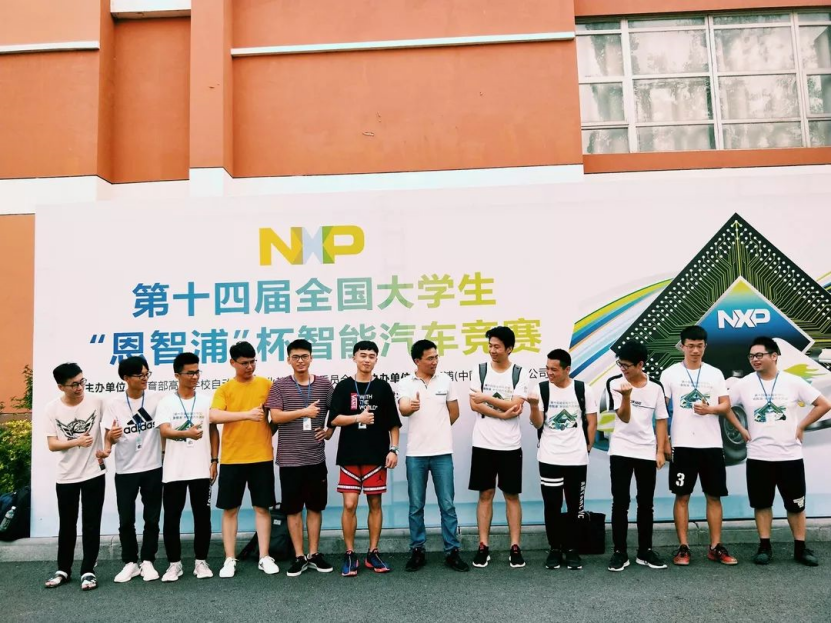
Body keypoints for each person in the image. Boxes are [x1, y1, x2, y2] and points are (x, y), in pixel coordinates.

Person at [729, 336, 831, 566]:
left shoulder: (793, 381)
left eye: (759, 355)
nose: (754, 360)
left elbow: (824, 404)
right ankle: (764, 546)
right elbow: (725, 406)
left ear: (774, 356)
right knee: (762, 504)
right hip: (758, 455)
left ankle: (800, 548)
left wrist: (801, 426)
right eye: (751, 356)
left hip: (789, 456)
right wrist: (740, 428)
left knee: (796, 505)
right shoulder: (744, 384)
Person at [660, 325, 742, 566]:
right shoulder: (670, 374)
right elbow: (662, 410)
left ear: (705, 346)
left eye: (699, 346)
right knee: (682, 496)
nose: (695, 350)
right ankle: (683, 547)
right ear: (682, 346)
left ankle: (715, 547)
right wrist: (664, 442)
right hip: (683, 445)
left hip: (712, 445)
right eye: (690, 346)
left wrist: (710, 409)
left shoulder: (715, 373)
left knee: (714, 497)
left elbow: (725, 405)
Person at [327, 341, 401, 577]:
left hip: (376, 456)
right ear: (354, 358)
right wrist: (357, 417)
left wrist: (393, 449)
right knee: (349, 505)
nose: (367, 359)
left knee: (375, 504)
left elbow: (393, 424)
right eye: (362, 355)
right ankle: (350, 553)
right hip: (349, 456)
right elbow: (334, 419)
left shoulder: (382, 387)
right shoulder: (343, 386)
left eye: (371, 356)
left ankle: (373, 552)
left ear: (376, 359)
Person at [265, 339, 335, 577]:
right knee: (293, 509)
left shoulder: (324, 384)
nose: (300, 361)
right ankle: (299, 556)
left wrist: (330, 430)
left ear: (311, 358)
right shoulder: (279, 386)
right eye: (295, 357)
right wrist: (305, 412)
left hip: (316, 458)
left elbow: (336, 411)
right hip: (289, 460)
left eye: (305, 356)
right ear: (288, 360)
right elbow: (275, 417)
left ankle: (314, 554)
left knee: (315, 508)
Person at [398, 339, 469, 573]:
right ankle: (417, 550)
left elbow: (454, 412)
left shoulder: (446, 380)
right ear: (417, 360)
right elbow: (403, 408)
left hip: (442, 453)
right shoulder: (405, 383)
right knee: (416, 505)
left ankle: (452, 551)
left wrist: (439, 431)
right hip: (416, 454)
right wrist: (411, 407)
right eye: (430, 358)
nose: (435, 361)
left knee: (447, 505)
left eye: (436, 357)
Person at [210, 341, 279, 578]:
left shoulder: (266, 384)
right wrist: (246, 415)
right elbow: (214, 415)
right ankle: (230, 558)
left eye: (252, 362)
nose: (249, 367)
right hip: (232, 458)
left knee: (262, 508)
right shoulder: (225, 389)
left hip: (262, 456)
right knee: (230, 509)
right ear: (232, 363)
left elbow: (276, 415)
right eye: (244, 363)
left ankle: (264, 556)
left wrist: (268, 430)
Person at [528, 348, 597, 571]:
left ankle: (572, 549)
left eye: (554, 369)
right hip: (549, 457)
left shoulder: (583, 389)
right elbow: (538, 423)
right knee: (552, 505)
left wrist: (587, 446)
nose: (549, 373)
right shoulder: (540, 389)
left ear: (567, 369)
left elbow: (591, 420)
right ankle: (555, 548)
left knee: (575, 506)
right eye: (547, 368)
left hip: (576, 458)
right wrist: (533, 406)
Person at [468, 326, 529, 569]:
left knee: (511, 495)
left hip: (510, 445)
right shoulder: (480, 370)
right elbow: (474, 405)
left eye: (497, 346)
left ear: (509, 349)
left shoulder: (519, 373)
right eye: (490, 346)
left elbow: (516, 405)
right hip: (483, 443)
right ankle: (483, 545)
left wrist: (487, 398)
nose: (492, 350)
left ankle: (515, 546)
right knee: (485, 494)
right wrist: (502, 413)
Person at [606, 341, 669, 572]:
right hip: (621, 449)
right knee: (620, 502)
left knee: (646, 503)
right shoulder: (615, 383)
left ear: (640, 364)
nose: (622, 369)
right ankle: (619, 552)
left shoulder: (656, 387)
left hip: (646, 450)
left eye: (627, 365)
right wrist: (626, 396)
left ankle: (645, 551)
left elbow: (661, 420)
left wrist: (660, 451)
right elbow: (623, 417)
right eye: (620, 364)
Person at [156, 352, 219, 582]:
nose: (195, 377)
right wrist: (187, 433)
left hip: (201, 469)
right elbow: (164, 430)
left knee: (202, 517)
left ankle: (201, 561)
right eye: (190, 373)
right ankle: (174, 564)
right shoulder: (166, 402)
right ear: (177, 375)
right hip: (174, 470)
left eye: (197, 372)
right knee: (171, 518)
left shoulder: (206, 401)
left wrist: (214, 460)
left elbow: (213, 430)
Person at [43, 363, 106, 591]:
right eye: (74, 384)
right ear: (61, 387)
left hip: (93, 473)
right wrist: (77, 441)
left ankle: (88, 571)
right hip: (66, 475)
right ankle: (63, 569)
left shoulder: (97, 402)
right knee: (67, 524)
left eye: (82, 382)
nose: (80, 388)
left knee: (91, 524)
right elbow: (52, 444)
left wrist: (107, 446)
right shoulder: (52, 408)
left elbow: (110, 427)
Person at [101, 356, 164, 583]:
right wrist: (111, 438)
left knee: (152, 518)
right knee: (126, 519)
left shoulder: (157, 399)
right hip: (125, 470)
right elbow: (107, 437)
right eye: (140, 375)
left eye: (147, 374)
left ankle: (148, 561)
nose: (145, 378)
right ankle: (130, 562)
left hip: (153, 467)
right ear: (126, 378)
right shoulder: (114, 403)